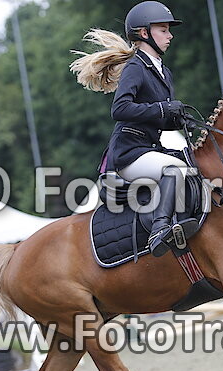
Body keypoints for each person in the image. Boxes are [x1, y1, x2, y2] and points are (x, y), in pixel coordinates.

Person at [70, 1, 191, 257]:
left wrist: (179, 120)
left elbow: (159, 119)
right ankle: (160, 230)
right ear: (144, 33)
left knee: (194, 165)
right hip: (129, 153)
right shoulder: (136, 67)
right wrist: (162, 109)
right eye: (163, 30)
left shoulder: (163, 72)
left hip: (149, 148)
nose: (170, 36)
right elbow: (120, 109)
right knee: (176, 170)